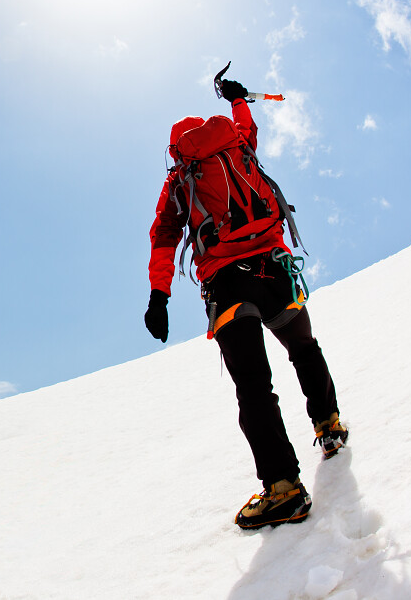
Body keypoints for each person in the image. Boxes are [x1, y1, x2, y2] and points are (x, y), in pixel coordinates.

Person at [143, 74, 348, 530]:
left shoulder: (180, 178)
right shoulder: (237, 144)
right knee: (304, 348)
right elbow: (247, 122)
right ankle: (329, 424)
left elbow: (163, 237)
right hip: (275, 267)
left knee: (254, 385)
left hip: (227, 285)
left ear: (176, 148)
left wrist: (160, 296)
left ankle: (283, 488)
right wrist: (238, 99)